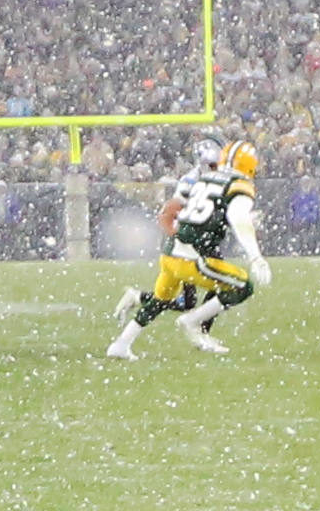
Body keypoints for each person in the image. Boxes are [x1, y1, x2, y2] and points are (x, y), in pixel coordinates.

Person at [111, 141, 264, 357]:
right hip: (193, 254)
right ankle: (193, 323)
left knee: (162, 300)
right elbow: (237, 218)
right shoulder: (236, 185)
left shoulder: (203, 180)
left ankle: (120, 345)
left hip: (172, 251)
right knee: (242, 286)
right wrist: (256, 257)